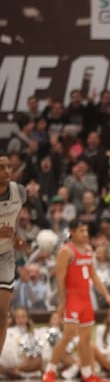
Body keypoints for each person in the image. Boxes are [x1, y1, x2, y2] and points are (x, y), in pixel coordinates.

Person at [43, 218, 110, 382]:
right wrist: (62, 303)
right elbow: (60, 280)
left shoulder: (88, 250)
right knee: (68, 336)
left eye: (86, 231)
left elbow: (94, 276)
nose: (85, 234)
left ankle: (87, 373)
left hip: (86, 299)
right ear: (73, 232)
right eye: (81, 231)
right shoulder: (66, 251)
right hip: (72, 298)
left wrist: (106, 295)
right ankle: (50, 370)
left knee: (85, 340)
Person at [0, 153, 27, 357]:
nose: (7, 172)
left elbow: (15, 219)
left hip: (5, 256)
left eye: (9, 167)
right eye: (2, 168)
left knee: (2, 316)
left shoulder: (20, 192)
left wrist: (17, 237)